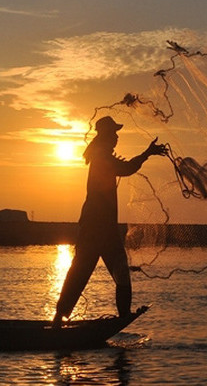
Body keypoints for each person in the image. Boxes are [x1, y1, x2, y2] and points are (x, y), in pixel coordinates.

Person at [53, 116, 167, 327]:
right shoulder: (101, 158)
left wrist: (142, 155)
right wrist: (147, 153)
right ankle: (58, 320)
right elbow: (126, 169)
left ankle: (123, 316)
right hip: (94, 229)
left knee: (120, 270)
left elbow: (122, 167)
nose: (117, 136)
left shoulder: (103, 156)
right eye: (114, 133)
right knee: (80, 272)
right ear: (105, 135)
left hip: (106, 230)